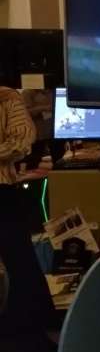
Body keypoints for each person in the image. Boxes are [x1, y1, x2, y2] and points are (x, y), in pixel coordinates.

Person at [0, 87, 56, 338]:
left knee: (20, 262)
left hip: (1, 189)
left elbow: (21, 141)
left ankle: (35, 328)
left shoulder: (6, 98)